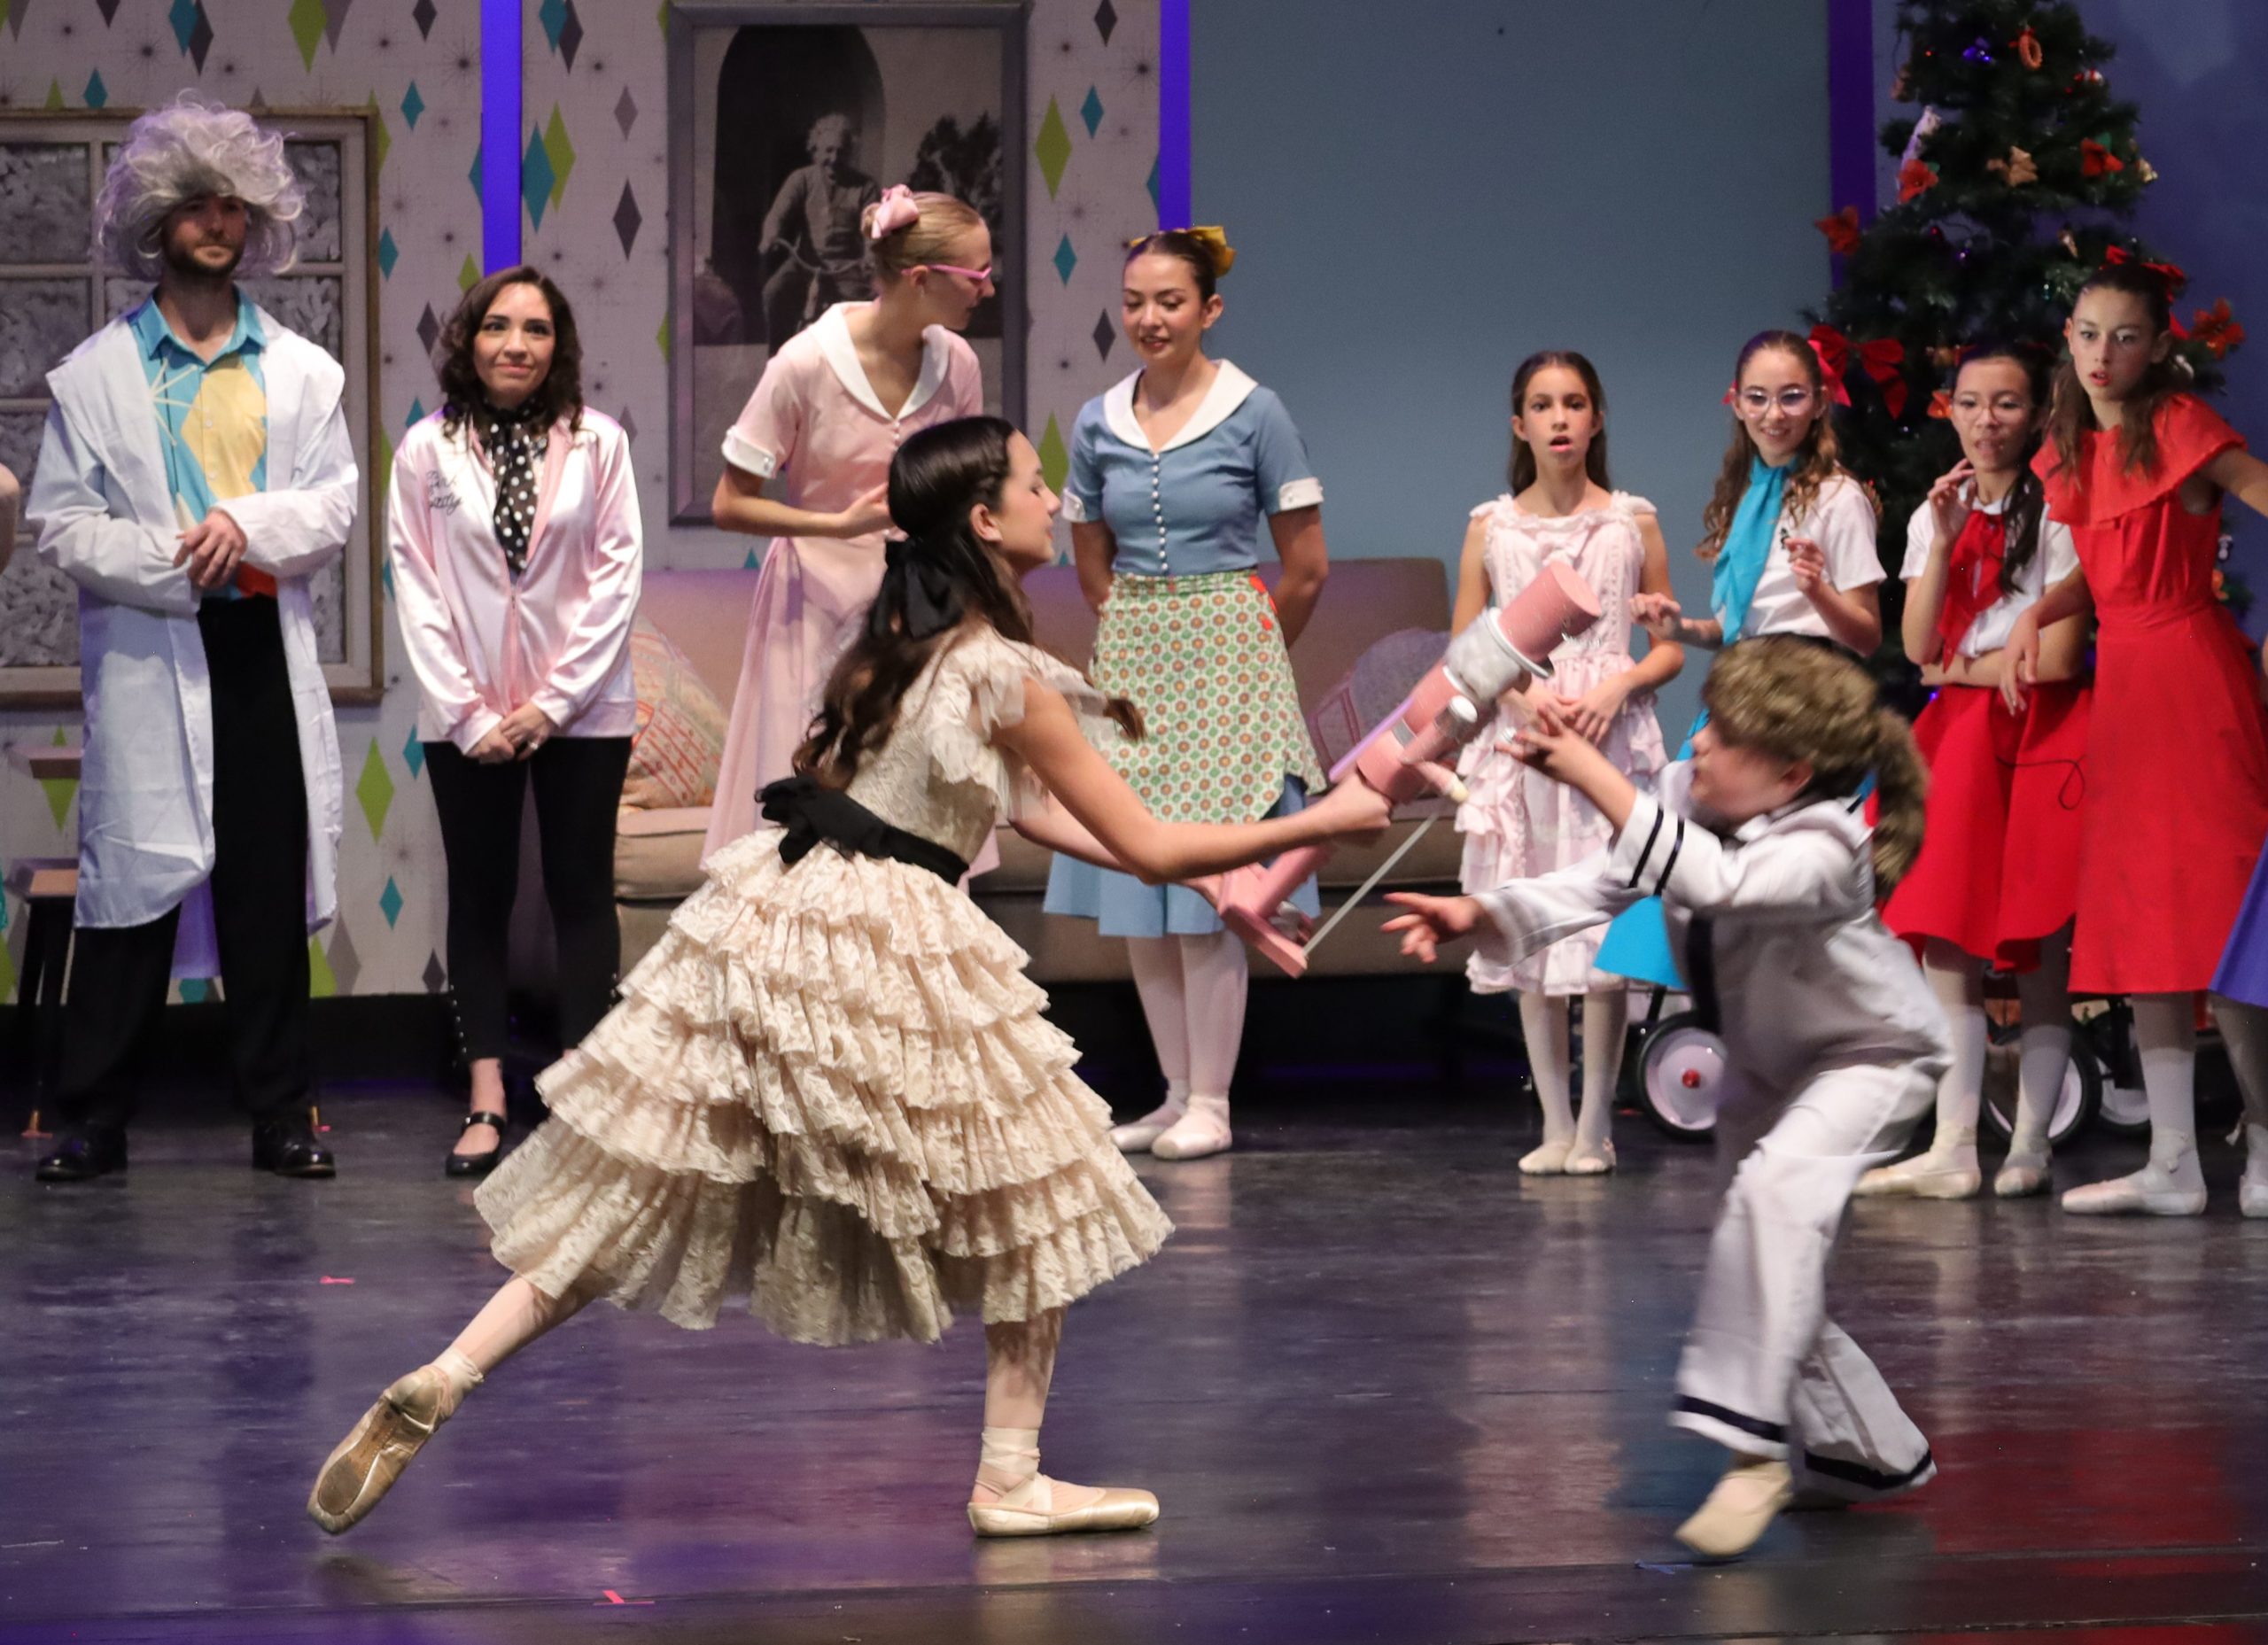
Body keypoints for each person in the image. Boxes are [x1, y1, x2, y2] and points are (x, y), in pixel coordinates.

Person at [307, 416, 1393, 1540]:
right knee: (1039, 1191)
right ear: (985, 520)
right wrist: (1325, 817)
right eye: (1035, 484)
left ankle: (449, 1370)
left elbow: (1031, 813)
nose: (1052, 500)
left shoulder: (894, 653)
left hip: (773, 918)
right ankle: (1010, 1477)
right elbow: (1150, 842)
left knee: (645, 1187)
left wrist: (1221, 884)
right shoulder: (1003, 675)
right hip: (882, 936)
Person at [1386, 638, 1946, 1560]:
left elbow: (1718, 884)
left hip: (1869, 1057)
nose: (1700, 744)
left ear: (1791, 774)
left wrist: (1598, 778)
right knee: (1766, 1250)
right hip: (1768, 1061)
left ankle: (1754, 1454)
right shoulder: (1691, 796)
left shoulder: (1826, 846)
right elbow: (1611, 879)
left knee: (1773, 1203)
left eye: (1726, 737)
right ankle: (1864, 1452)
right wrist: (1484, 912)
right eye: (1709, 725)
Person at [26, 94, 354, 1183]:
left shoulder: (300, 370)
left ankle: (281, 1113)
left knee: (264, 882)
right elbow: (63, 522)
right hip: (149, 645)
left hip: (255, 643)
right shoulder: (97, 374)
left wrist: (243, 529)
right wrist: (178, 559)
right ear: (155, 219)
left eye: (234, 206)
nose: (218, 223)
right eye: (197, 205)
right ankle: (93, 1119)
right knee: (131, 886)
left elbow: (334, 505)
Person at [1044, 229, 1329, 1161]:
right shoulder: (1099, 421)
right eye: (1134, 301)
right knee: (1141, 879)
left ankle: (1212, 1099)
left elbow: (1306, 568)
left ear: (1209, 310)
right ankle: (1172, 1094)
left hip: (1228, 655)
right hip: (1135, 658)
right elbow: (1091, 561)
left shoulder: (1256, 411)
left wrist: (1244, 650)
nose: (1148, 318)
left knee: (1210, 891)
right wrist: (1140, 636)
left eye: (1169, 301)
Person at [2002, 262, 2268, 1216]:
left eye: (2123, 336)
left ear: (2157, 346)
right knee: (2145, 916)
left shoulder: (2183, 426)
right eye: (2087, 333)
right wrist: (2040, 611)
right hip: (2126, 690)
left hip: (2193, 681)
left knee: (2229, 921)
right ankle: (2172, 1161)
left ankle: (2266, 1142)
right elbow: (2108, 561)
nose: (2101, 353)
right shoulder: (2076, 444)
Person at [389, 268, 642, 1177]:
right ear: (470, 339)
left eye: (537, 330)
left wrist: (552, 703)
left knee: (581, 892)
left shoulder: (600, 442)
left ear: (557, 346)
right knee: (481, 896)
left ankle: (581, 1093)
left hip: (584, 708)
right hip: (468, 714)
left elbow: (616, 575)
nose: (516, 345)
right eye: (498, 326)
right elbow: (416, 583)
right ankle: (487, 1093)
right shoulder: (427, 448)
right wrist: (468, 713)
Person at [1856, 344, 2088, 1202]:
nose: (1986, 421)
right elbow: (1918, 647)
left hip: (2039, 734)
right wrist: (1946, 539)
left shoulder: (2060, 508)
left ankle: (2029, 1145)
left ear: (2036, 415)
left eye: (2006, 403)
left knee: (2036, 942)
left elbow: (2055, 660)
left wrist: (1958, 669)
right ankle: (1952, 1145)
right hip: (1955, 741)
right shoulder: (1937, 513)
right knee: (1945, 935)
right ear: (1948, 409)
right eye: (1969, 403)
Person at [1596, 328, 1884, 991]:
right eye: (1758, 397)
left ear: (1819, 402)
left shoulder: (1838, 498)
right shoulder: (1748, 493)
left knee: (1768, 872)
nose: (1773, 414)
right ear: (1736, 401)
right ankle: (1706, 1004)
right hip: (1745, 688)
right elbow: (1735, 628)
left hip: (1803, 699)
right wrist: (1678, 626)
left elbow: (1867, 634)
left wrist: (1820, 592)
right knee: (1689, 851)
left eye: (1791, 397)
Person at [706, 185, 988, 857]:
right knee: (815, 809)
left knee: (917, 821)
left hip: (920, 612)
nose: (987, 288)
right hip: (816, 605)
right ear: (920, 279)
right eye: (976, 274)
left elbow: (967, 490)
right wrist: (839, 525)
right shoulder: (804, 363)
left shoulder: (959, 364)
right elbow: (730, 502)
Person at [1451, 351, 1678, 1175]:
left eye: (1574, 403)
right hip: (1528, 745)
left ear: (1596, 418)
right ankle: (1552, 1124)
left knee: (1604, 938)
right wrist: (1521, 700)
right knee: (1534, 932)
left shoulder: (1630, 522)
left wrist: (1619, 686)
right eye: (1543, 405)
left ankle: (1595, 1127)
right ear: (1520, 424)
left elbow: (1668, 646)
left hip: (1609, 743)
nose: (1559, 419)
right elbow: (1466, 646)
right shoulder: (1492, 528)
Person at [760, 114, 882, 343]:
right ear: (815, 150)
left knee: (864, 310)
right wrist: (771, 234)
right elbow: (779, 213)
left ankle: (854, 357)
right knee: (774, 292)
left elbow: (872, 229)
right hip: (805, 260)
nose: (834, 158)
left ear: (850, 153)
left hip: (846, 266)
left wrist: (870, 255)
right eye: (828, 151)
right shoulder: (801, 179)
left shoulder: (865, 187)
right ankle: (779, 352)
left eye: (841, 152)